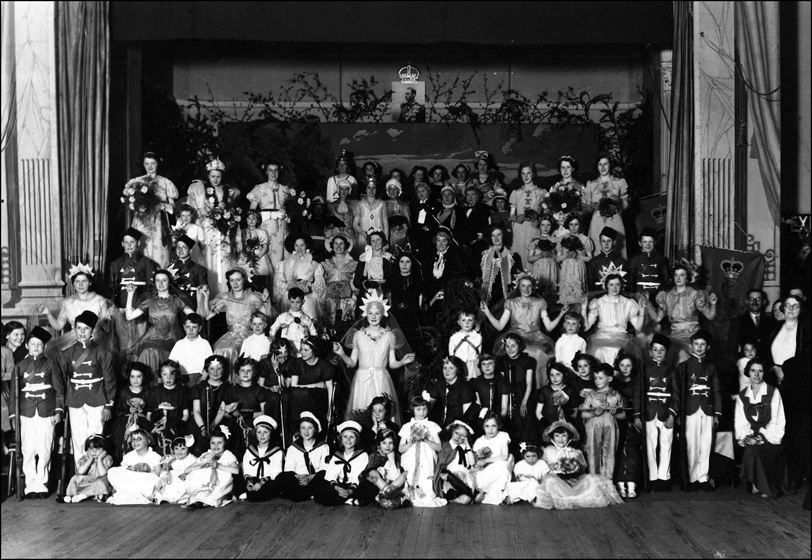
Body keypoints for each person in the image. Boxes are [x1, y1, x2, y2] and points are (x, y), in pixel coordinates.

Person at [334, 292, 415, 424]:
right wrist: (342, 353)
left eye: (377, 313)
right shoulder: (358, 335)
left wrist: (402, 361)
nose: (373, 316)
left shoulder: (389, 336)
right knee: (362, 409)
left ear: (383, 314)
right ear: (365, 313)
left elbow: (392, 363)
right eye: (370, 313)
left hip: (382, 377)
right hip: (362, 378)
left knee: (383, 410)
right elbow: (352, 363)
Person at [481, 273, 565, 389]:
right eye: (523, 286)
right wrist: (487, 312)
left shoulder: (540, 302)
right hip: (515, 336)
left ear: (533, 287)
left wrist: (561, 314)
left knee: (539, 354)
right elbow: (500, 326)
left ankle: (537, 389)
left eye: (529, 286)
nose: (526, 289)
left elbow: (549, 327)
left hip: (536, 338)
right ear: (518, 287)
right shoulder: (511, 303)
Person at [9, 326, 63, 498]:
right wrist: (13, 416)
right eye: (33, 344)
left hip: (47, 411)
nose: (36, 347)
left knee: (45, 448)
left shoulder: (51, 364)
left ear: (44, 346)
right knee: (28, 449)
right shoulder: (19, 366)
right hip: (26, 412)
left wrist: (58, 410)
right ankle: (30, 484)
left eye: (39, 344)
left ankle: (42, 483)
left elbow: (58, 389)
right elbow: (14, 394)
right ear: (27, 345)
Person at [59, 311, 116, 469]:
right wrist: (61, 402)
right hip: (75, 398)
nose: (82, 332)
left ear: (93, 330)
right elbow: (60, 379)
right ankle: (81, 473)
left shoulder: (103, 353)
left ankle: (96, 472)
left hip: (97, 397)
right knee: (78, 438)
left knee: (96, 437)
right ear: (74, 329)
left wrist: (109, 405)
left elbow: (110, 381)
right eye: (79, 328)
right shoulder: (66, 354)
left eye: (86, 328)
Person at [768, 293, 810, 489]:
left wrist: (786, 368)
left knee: (796, 431)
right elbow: (766, 354)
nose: (791, 309)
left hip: (797, 386)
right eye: (788, 305)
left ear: (801, 310)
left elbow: (805, 357)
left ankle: (796, 476)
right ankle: (777, 477)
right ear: (782, 309)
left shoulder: (805, 330)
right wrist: (775, 368)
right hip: (775, 382)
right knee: (776, 427)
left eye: (795, 306)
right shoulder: (775, 329)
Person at [672, 329, 722, 491]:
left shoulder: (711, 367)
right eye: (696, 344)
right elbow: (677, 392)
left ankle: (703, 477)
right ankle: (692, 477)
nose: (699, 347)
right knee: (691, 444)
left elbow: (716, 391)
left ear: (708, 347)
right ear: (691, 346)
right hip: (690, 409)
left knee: (706, 444)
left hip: (707, 409)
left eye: (702, 344)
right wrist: (678, 413)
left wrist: (717, 413)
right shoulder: (683, 366)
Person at [534, 420, 624, 510]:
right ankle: (561, 500)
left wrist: (574, 468)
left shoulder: (574, 452)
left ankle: (580, 498)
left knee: (591, 478)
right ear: (552, 438)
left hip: (573, 479)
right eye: (557, 436)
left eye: (564, 435)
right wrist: (552, 467)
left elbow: (582, 467)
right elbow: (541, 467)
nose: (560, 439)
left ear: (569, 437)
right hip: (556, 478)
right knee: (550, 480)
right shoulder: (548, 451)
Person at [734, 358, 789, 498]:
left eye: (760, 371)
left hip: (771, 438)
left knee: (754, 449)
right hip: (753, 438)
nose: (756, 374)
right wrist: (747, 438)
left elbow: (778, 422)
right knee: (751, 448)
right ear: (748, 372)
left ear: (764, 373)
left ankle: (764, 486)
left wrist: (759, 438)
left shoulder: (773, 392)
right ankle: (757, 484)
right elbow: (741, 423)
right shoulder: (742, 396)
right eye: (753, 370)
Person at [124, 269, 195, 377]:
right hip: (152, 336)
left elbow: (194, 317)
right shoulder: (150, 300)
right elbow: (129, 317)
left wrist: (203, 299)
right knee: (148, 350)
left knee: (159, 351)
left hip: (171, 336)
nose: (161, 283)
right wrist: (130, 294)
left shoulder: (176, 300)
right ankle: (150, 383)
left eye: (164, 280)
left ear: (169, 282)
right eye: (158, 280)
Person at [39, 264, 114, 358]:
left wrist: (108, 318)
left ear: (90, 282)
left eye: (84, 281)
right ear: (73, 283)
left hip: (95, 341)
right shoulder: (68, 302)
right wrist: (48, 313)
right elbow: (58, 326)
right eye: (77, 281)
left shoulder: (100, 301)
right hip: (73, 341)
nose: (80, 284)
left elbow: (106, 326)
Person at [654, 264, 718, 363]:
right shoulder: (667, 296)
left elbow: (710, 316)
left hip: (691, 336)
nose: (678, 278)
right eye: (676, 275)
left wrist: (713, 304)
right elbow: (657, 319)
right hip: (673, 335)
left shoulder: (695, 294)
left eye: (682, 275)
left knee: (680, 355)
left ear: (687, 278)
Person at [204, 267, 267, 367]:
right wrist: (206, 297)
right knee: (217, 349)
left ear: (244, 280)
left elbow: (266, 316)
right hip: (230, 335)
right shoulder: (226, 297)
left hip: (248, 335)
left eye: (238, 280)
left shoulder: (252, 297)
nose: (235, 283)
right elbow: (207, 316)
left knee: (231, 350)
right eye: (232, 280)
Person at [108, 227, 158, 350]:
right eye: (126, 242)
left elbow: (151, 287)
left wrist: (143, 305)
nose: (129, 245)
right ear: (122, 244)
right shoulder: (116, 263)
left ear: (138, 243)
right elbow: (113, 287)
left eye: (132, 242)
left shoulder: (147, 262)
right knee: (123, 340)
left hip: (139, 303)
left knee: (139, 339)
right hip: (122, 304)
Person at [127, 151, 179, 268]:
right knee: (142, 246)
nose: (150, 167)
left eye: (153, 163)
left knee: (159, 250)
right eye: (147, 164)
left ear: (157, 164)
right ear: (143, 164)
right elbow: (131, 202)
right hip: (142, 220)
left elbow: (172, 206)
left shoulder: (165, 182)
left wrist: (162, 206)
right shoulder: (137, 182)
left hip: (159, 221)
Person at [640, 334, 677, 492]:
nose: (659, 352)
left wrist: (672, 414)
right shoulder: (644, 369)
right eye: (655, 350)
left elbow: (676, 394)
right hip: (649, 411)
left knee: (666, 444)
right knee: (650, 445)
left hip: (665, 411)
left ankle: (664, 477)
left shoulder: (672, 370)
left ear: (667, 352)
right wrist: (638, 414)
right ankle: (652, 477)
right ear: (650, 352)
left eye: (662, 350)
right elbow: (639, 393)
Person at [584, 274, 645, 365]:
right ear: (606, 286)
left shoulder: (628, 303)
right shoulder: (599, 302)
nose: (614, 288)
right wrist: (583, 309)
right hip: (601, 336)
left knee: (617, 350)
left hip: (621, 336)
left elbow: (638, 327)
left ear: (621, 286)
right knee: (598, 350)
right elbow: (586, 327)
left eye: (617, 284)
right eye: (611, 284)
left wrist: (642, 312)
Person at [215, 358, 267, 460]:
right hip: (235, 423)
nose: (245, 373)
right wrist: (231, 413)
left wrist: (250, 415)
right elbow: (225, 412)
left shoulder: (259, 390)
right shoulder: (231, 390)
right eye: (242, 370)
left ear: (254, 373)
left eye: (249, 370)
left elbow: (265, 412)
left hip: (253, 422)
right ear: (238, 372)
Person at [312, 420, 375, 506]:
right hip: (339, 485)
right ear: (341, 438)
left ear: (357, 439)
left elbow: (358, 476)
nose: (348, 440)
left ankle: (345, 499)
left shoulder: (362, 455)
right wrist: (338, 488)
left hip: (355, 486)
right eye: (345, 436)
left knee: (369, 487)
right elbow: (331, 473)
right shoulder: (337, 455)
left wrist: (350, 490)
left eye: (352, 437)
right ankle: (349, 500)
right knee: (321, 489)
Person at [397, 394, 444, 507]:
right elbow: (400, 448)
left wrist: (426, 440)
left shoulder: (432, 425)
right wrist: (411, 442)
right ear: (412, 410)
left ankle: (424, 495)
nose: (422, 412)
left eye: (424, 409)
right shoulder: (407, 426)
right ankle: (411, 495)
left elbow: (439, 447)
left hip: (426, 459)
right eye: (418, 409)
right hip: (412, 459)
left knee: (425, 480)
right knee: (411, 477)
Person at [580, 363, 625, 480]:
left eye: (600, 378)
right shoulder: (591, 395)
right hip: (593, 427)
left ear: (609, 379)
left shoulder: (616, 395)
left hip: (610, 427)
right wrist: (594, 413)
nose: (597, 381)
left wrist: (614, 412)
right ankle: (595, 481)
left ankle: (608, 481)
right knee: (593, 452)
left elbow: (623, 415)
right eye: (595, 378)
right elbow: (583, 413)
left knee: (610, 452)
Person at [180, 426, 241, 508]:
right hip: (207, 481)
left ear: (225, 443)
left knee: (214, 492)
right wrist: (199, 467)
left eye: (219, 443)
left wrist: (218, 465)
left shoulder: (227, 455)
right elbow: (189, 468)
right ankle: (199, 500)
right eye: (213, 443)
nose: (216, 446)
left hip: (221, 482)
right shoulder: (207, 454)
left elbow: (236, 470)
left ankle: (211, 499)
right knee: (200, 476)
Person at [584, 152, 630, 258]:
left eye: (606, 164)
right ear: (597, 166)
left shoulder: (619, 182)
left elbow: (626, 205)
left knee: (617, 249)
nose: (603, 167)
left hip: (614, 220)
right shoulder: (591, 184)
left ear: (610, 165)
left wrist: (618, 203)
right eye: (600, 164)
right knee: (597, 249)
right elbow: (587, 208)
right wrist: (594, 206)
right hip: (597, 221)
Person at [277, 412, 330, 502]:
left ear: (315, 429)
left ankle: (304, 494)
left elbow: (325, 468)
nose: (306, 431)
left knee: (325, 478)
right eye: (303, 428)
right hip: (299, 479)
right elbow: (289, 469)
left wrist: (311, 477)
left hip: (315, 478)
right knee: (282, 477)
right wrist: (299, 477)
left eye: (310, 428)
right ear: (299, 430)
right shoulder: (293, 448)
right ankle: (309, 494)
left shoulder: (323, 446)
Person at [287, 336, 335, 436]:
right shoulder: (297, 363)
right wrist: (317, 385)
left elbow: (330, 389)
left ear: (314, 350)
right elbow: (293, 387)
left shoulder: (324, 365)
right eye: (301, 349)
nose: (302, 352)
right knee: (297, 393)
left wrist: (330, 409)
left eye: (306, 350)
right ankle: (297, 428)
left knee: (303, 393)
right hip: (300, 398)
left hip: (317, 400)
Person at [246, 159, 289, 268]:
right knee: (265, 255)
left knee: (281, 257)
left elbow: (290, 209)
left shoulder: (284, 189)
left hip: (281, 227)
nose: (273, 173)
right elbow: (252, 211)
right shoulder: (259, 189)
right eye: (270, 170)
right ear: (266, 171)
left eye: (276, 170)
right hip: (265, 226)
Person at [273, 234, 326, 320]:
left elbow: (320, 285)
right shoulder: (284, 264)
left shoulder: (315, 264)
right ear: (293, 247)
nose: (299, 249)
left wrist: (310, 286)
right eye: (296, 245)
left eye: (302, 245)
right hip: (289, 293)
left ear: (306, 246)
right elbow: (278, 283)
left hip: (307, 294)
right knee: (289, 300)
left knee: (307, 301)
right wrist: (290, 286)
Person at [612, 352, 642, 499]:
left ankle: (631, 482)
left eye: (628, 365)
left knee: (631, 451)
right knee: (617, 451)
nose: (625, 368)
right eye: (622, 365)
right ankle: (619, 483)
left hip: (632, 421)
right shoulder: (613, 383)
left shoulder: (637, 382)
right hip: (616, 421)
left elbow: (638, 403)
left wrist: (636, 417)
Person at [110, 362, 154, 462]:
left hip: (143, 421)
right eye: (132, 376)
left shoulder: (148, 391)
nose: (135, 380)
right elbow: (117, 411)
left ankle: (142, 461)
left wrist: (143, 409)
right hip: (125, 421)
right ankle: (124, 460)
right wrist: (128, 409)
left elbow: (151, 409)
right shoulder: (124, 392)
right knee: (122, 438)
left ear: (144, 377)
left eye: (138, 376)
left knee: (144, 437)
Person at [107, 427, 162, 505]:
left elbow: (158, 474)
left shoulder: (154, 456)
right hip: (132, 482)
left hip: (146, 482)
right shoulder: (128, 456)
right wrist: (131, 469)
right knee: (112, 471)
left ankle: (146, 495)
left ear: (148, 441)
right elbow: (123, 471)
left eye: (139, 439)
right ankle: (129, 493)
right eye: (133, 439)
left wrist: (145, 470)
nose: (135, 442)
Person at [509, 162, 547, 269]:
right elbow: (512, 215)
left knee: (533, 253)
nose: (526, 176)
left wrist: (538, 220)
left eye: (528, 173)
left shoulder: (541, 192)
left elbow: (545, 214)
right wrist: (517, 218)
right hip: (519, 230)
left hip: (533, 228)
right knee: (519, 255)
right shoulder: (516, 193)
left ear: (533, 174)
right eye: (523, 173)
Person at [148, 360, 190, 454]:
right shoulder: (155, 392)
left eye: (172, 374)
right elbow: (149, 415)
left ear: (176, 375)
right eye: (164, 374)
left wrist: (179, 426)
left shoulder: (182, 391)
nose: (168, 377)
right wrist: (155, 424)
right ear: (160, 375)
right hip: (158, 426)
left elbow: (186, 414)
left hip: (176, 426)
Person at [471, 409, 512, 505]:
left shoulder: (503, 436)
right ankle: (486, 492)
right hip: (486, 470)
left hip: (499, 465)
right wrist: (480, 463)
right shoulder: (479, 441)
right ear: (483, 426)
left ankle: (484, 492)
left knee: (503, 465)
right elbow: (476, 460)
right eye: (487, 426)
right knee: (478, 477)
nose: (490, 429)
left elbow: (505, 456)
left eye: (493, 426)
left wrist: (486, 460)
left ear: (498, 426)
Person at [58, 434, 113, 503]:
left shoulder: (106, 458)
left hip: (99, 480)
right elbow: (80, 472)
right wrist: (90, 460)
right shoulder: (85, 459)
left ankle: (83, 495)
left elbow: (102, 474)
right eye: (91, 449)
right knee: (75, 478)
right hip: (87, 481)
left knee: (100, 483)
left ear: (104, 450)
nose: (94, 452)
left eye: (98, 449)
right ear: (87, 450)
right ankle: (72, 495)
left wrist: (99, 459)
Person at [241, 415, 284, 502]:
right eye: (259, 432)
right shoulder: (250, 450)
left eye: (265, 432)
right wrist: (249, 481)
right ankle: (250, 492)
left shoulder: (277, 451)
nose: (262, 435)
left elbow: (276, 472)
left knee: (273, 485)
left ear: (271, 433)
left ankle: (250, 495)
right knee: (239, 481)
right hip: (253, 479)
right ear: (255, 433)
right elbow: (246, 468)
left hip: (268, 481)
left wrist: (261, 483)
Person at [432, 419, 477, 504]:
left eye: (462, 436)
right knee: (462, 495)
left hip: (464, 479)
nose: (458, 437)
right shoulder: (445, 446)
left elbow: (472, 463)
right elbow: (440, 463)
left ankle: (457, 496)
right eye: (456, 433)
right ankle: (448, 497)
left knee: (466, 499)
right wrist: (442, 474)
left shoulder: (466, 448)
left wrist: (467, 445)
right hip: (449, 478)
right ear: (452, 431)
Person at [428, 356, 478, 428]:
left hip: (457, 426)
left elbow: (467, 415)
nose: (447, 371)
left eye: (451, 368)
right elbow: (430, 407)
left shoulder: (465, 387)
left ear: (457, 369)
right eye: (445, 368)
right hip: (438, 426)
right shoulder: (439, 385)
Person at [190, 356, 230, 447]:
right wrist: (203, 428)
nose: (215, 372)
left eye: (219, 368)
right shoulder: (199, 388)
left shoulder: (227, 388)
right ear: (207, 370)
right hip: (200, 422)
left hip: (218, 422)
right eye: (212, 368)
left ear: (224, 369)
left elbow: (221, 411)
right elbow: (196, 411)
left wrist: (212, 426)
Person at [363, 428, 408, 509]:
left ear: (394, 444)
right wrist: (369, 477)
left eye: (390, 443)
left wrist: (392, 461)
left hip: (394, 485)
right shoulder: (374, 456)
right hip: (379, 486)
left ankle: (390, 491)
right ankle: (387, 491)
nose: (387, 446)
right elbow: (366, 473)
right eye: (384, 443)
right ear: (378, 445)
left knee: (406, 473)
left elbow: (396, 476)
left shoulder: (396, 456)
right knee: (373, 472)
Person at [479, 224, 523, 306]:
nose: (496, 238)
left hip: (506, 296)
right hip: (489, 296)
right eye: (493, 236)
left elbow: (518, 277)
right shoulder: (484, 255)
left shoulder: (513, 256)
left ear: (503, 236)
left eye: (499, 235)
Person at [388, 249, 425, 342]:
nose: (404, 265)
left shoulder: (419, 283)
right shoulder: (391, 282)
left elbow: (422, 306)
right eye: (402, 262)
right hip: (396, 320)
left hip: (413, 322)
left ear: (412, 264)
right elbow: (389, 304)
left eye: (407, 262)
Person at [556, 214, 593, 306]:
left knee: (579, 295)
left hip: (578, 268)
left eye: (576, 224)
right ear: (568, 225)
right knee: (567, 296)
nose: (573, 227)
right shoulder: (563, 238)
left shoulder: (585, 239)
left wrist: (578, 256)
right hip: (567, 269)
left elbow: (590, 258)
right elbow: (557, 259)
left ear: (580, 225)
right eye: (571, 224)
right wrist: (566, 255)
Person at [150, 434, 199, 504]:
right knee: (165, 478)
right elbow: (170, 468)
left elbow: (195, 468)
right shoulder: (173, 459)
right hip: (173, 479)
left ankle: (179, 498)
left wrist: (186, 473)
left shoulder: (191, 459)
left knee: (179, 485)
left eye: (183, 449)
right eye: (176, 449)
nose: (179, 451)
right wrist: (168, 467)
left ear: (188, 449)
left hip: (184, 479)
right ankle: (163, 497)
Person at [535, 360, 579, 435]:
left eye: (557, 374)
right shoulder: (545, 390)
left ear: (564, 374)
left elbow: (575, 414)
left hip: (566, 427)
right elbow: (538, 412)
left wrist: (567, 410)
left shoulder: (570, 391)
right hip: (548, 426)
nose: (554, 378)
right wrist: (544, 421)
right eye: (551, 375)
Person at [168, 313, 213, 387]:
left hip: (200, 378)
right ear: (184, 327)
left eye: (194, 327)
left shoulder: (205, 344)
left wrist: (203, 379)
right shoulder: (179, 344)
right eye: (188, 327)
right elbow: (172, 363)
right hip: (183, 379)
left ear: (200, 328)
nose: (191, 330)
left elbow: (209, 364)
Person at [236, 210, 274, 296]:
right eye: (249, 218)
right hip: (246, 256)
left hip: (259, 256)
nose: (251, 221)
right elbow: (239, 246)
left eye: (254, 218)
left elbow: (265, 247)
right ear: (246, 220)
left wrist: (258, 256)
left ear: (257, 220)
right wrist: (243, 256)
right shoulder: (242, 232)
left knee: (259, 281)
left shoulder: (261, 232)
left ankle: (260, 295)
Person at [268, 288, 318, 353]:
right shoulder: (283, 316)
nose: (295, 304)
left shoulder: (306, 318)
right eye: (292, 302)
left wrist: (313, 343)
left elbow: (313, 332)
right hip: (286, 349)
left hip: (301, 349)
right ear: (288, 301)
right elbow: (273, 328)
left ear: (303, 302)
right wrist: (272, 336)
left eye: (298, 302)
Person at [167, 234, 208, 312]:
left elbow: (203, 292)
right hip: (174, 304)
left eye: (184, 247)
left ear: (190, 250)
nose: (180, 250)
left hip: (191, 302)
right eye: (178, 247)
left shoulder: (200, 269)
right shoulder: (170, 267)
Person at [323, 232, 358, 323]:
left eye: (341, 243)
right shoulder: (325, 262)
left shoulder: (353, 263)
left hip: (347, 297)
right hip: (330, 297)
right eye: (336, 243)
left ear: (346, 245)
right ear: (332, 245)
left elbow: (354, 280)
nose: (338, 246)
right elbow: (323, 281)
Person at [353, 231, 393, 306]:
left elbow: (393, 280)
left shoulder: (389, 258)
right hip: (367, 294)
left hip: (384, 294)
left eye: (378, 240)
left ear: (383, 241)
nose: (375, 243)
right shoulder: (364, 258)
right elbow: (356, 281)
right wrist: (367, 286)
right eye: (373, 240)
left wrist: (381, 288)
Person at [548, 156, 585, 235]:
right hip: (558, 225)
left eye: (568, 167)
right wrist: (556, 215)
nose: (565, 170)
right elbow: (550, 207)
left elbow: (584, 207)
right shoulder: (555, 187)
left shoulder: (579, 187)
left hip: (574, 225)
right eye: (563, 167)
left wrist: (572, 215)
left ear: (573, 168)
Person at [628, 228, 670, 298]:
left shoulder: (662, 260)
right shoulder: (634, 261)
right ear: (640, 243)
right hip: (640, 296)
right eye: (645, 242)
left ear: (655, 243)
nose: (648, 244)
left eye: (650, 241)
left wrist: (662, 294)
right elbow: (631, 283)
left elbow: (666, 281)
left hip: (658, 297)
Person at [527, 214, 560, 302]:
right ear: (539, 226)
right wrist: (540, 255)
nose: (545, 227)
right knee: (539, 290)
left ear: (551, 226)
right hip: (539, 268)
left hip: (551, 268)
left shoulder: (555, 240)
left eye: (548, 225)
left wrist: (550, 254)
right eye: (543, 225)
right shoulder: (534, 241)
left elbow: (559, 258)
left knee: (550, 290)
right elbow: (529, 259)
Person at [587, 227, 629, 292]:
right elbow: (590, 286)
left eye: (609, 241)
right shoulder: (593, 262)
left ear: (614, 242)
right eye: (603, 241)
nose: (606, 244)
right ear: (599, 242)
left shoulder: (621, 262)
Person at [455, 187, 491, 263]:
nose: (470, 197)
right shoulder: (462, 210)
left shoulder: (484, 208)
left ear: (478, 196)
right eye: (468, 195)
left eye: (473, 194)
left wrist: (476, 238)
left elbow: (484, 226)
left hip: (478, 244)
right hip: (464, 244)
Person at [354, 177, 389, 254]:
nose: (371, 190)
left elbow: (385, 224)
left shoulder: (382, 204)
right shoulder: (360, 204)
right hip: (363, 239)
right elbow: (355, 224)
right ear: (365, 189)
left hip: (378, 239)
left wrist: (386, 241)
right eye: (369, 187)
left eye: (374, 188)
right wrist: (364, 234)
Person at [471, 354, 510, 419]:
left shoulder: (502, 382)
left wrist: (498, 421)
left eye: (490, 363)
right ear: (480, 366)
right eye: (483, 364)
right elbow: (478, 405)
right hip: (481, 418)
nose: (486, 366)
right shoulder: (476, 382)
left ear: (495, 364)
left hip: (499, 419)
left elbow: (504, 408)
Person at [448, 309, 482, 380]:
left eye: (470, 320)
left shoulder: (477, 337)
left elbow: (478, 354)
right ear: (459, 322)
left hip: (473, 367)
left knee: (474, 383)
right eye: (463, 320)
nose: (467, 323)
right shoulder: (454, 338)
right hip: (459, 366)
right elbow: (451, 357)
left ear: (474, 322)